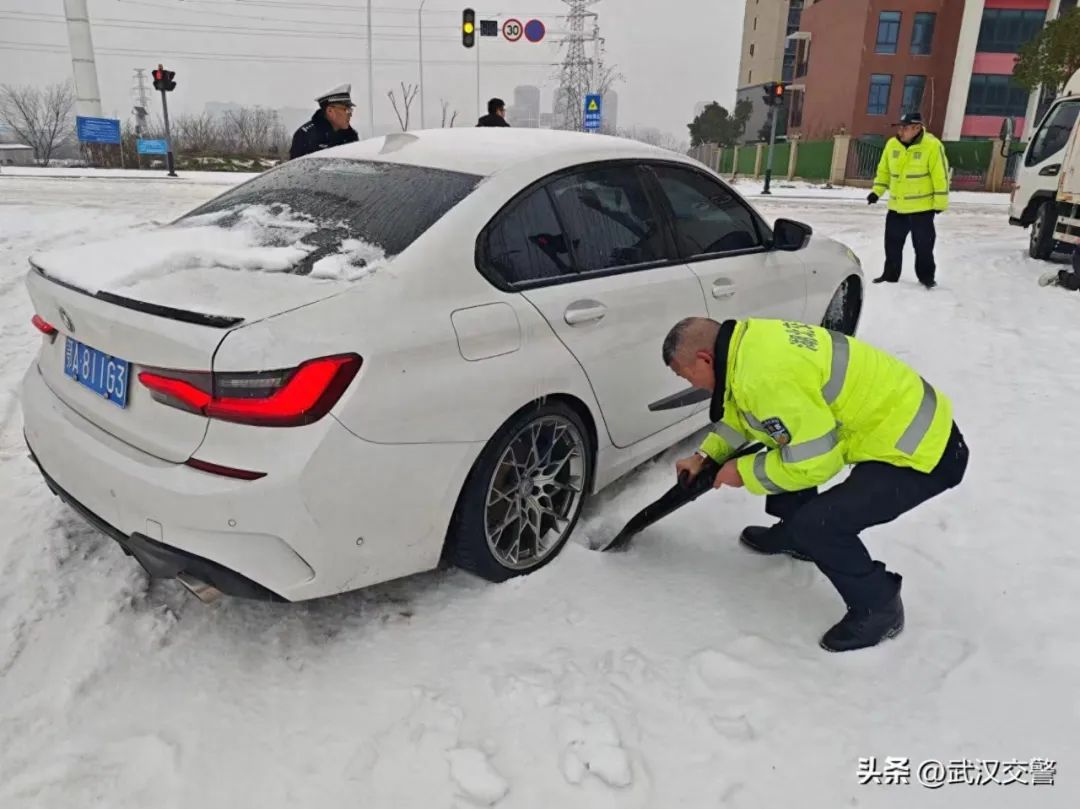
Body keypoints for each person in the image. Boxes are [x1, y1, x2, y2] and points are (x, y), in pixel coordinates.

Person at [663, 317, 969, 653]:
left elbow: (815, 462)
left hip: (921, 452)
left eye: (686, 375)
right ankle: (795, 536)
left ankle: (879, 607)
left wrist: (744, 472)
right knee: (784, 441)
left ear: (705, 359)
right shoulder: (748, 347)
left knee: (820, 525)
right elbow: (748, 414)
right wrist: (707, 455)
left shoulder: (766, 377)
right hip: (899, 421)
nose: (691, 384)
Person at [867, 112, 950, 289]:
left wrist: (940, 203)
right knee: (892, 244)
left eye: (905, 128)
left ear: (917, 128)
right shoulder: (892, 145)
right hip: (897, 207)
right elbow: (884, 171)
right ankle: (890, 275)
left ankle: (926, 277)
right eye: (900, 127)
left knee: (923, 246)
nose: (900, 131)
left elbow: (940, 176)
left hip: (922, 209)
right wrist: (877, 192)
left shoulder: (932, 146)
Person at [289, 83, 360, 160]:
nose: (350, 114)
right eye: (346, 110)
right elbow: (296, 166)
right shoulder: (305, 135)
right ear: (330, 111)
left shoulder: (351, 136)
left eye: (350, 110)